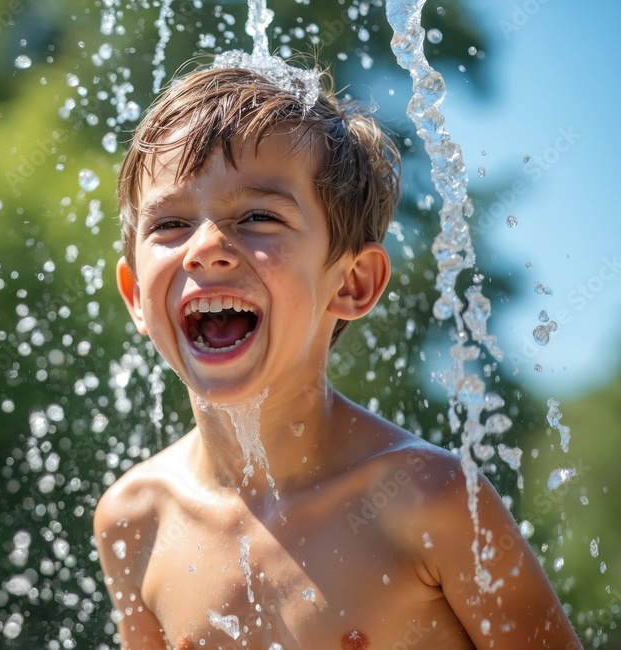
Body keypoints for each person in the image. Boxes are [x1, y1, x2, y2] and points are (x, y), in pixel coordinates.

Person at [92, 60, 581, 649]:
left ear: (352, 283)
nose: (207, 249)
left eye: (257, 217)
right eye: (170, 223)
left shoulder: (431, 501)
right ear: (137, 298)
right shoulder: (135, 518)